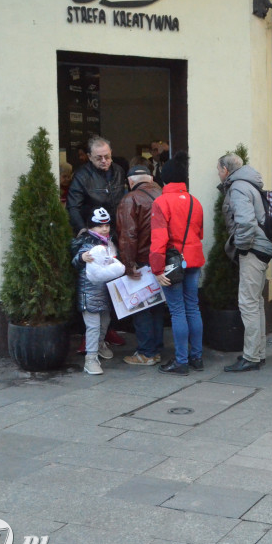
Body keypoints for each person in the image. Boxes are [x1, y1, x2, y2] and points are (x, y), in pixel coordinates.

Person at [66, 137, 129, 348]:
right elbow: (73, 206)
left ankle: (108, 329)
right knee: (93, 285)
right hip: (93, 234)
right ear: (90, 157)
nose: (105, 161)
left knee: (113, 281)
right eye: (99, 158)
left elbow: (125, 197)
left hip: (114, 232)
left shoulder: (119, 171)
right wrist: (82, 229)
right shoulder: (82, 176)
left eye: (107, 156)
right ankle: (90, 335)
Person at [218, 153, 272, 372]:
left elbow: (246, 222)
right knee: (256, 302)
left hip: (253, 249)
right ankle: (257, 353)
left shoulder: (238, 187)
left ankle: (251, 357)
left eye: (218, 169)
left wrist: (242, 248)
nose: (218, 174)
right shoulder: (250, 183)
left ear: (225, 169)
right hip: (264, 247)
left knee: (248, 304)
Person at [149, 155, 205, 375]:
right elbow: (199, 233)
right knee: (193, 307)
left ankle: (181, 361)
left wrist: (157, 269)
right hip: (194, 259)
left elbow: (159, 239)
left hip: (172, 264)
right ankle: (196, 357)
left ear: (165, 179)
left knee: (177, 311)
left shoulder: (161, 203)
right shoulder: (195, 201)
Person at [116, 164, 165, 366]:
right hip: (162, 259)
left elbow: (128, 235)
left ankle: (146, 353)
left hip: (142, 260)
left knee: (142, 307)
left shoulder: (131, 199)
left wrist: (128, 264)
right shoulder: (163, 194)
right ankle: (156, 348)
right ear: (151, 178)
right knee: (158, 306)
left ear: (130, 182)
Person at [71, 208, 117, 375]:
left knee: (105, 321)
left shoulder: (109, 242)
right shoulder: (87, 242)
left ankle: (99, 344)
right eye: (99, 226)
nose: (104, 229)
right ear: (91, 228)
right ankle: (90, 359)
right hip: (89, 291)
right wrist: (82, 258)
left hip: (105, 291)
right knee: (93, 326)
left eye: (107, 225)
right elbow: (77, 259)